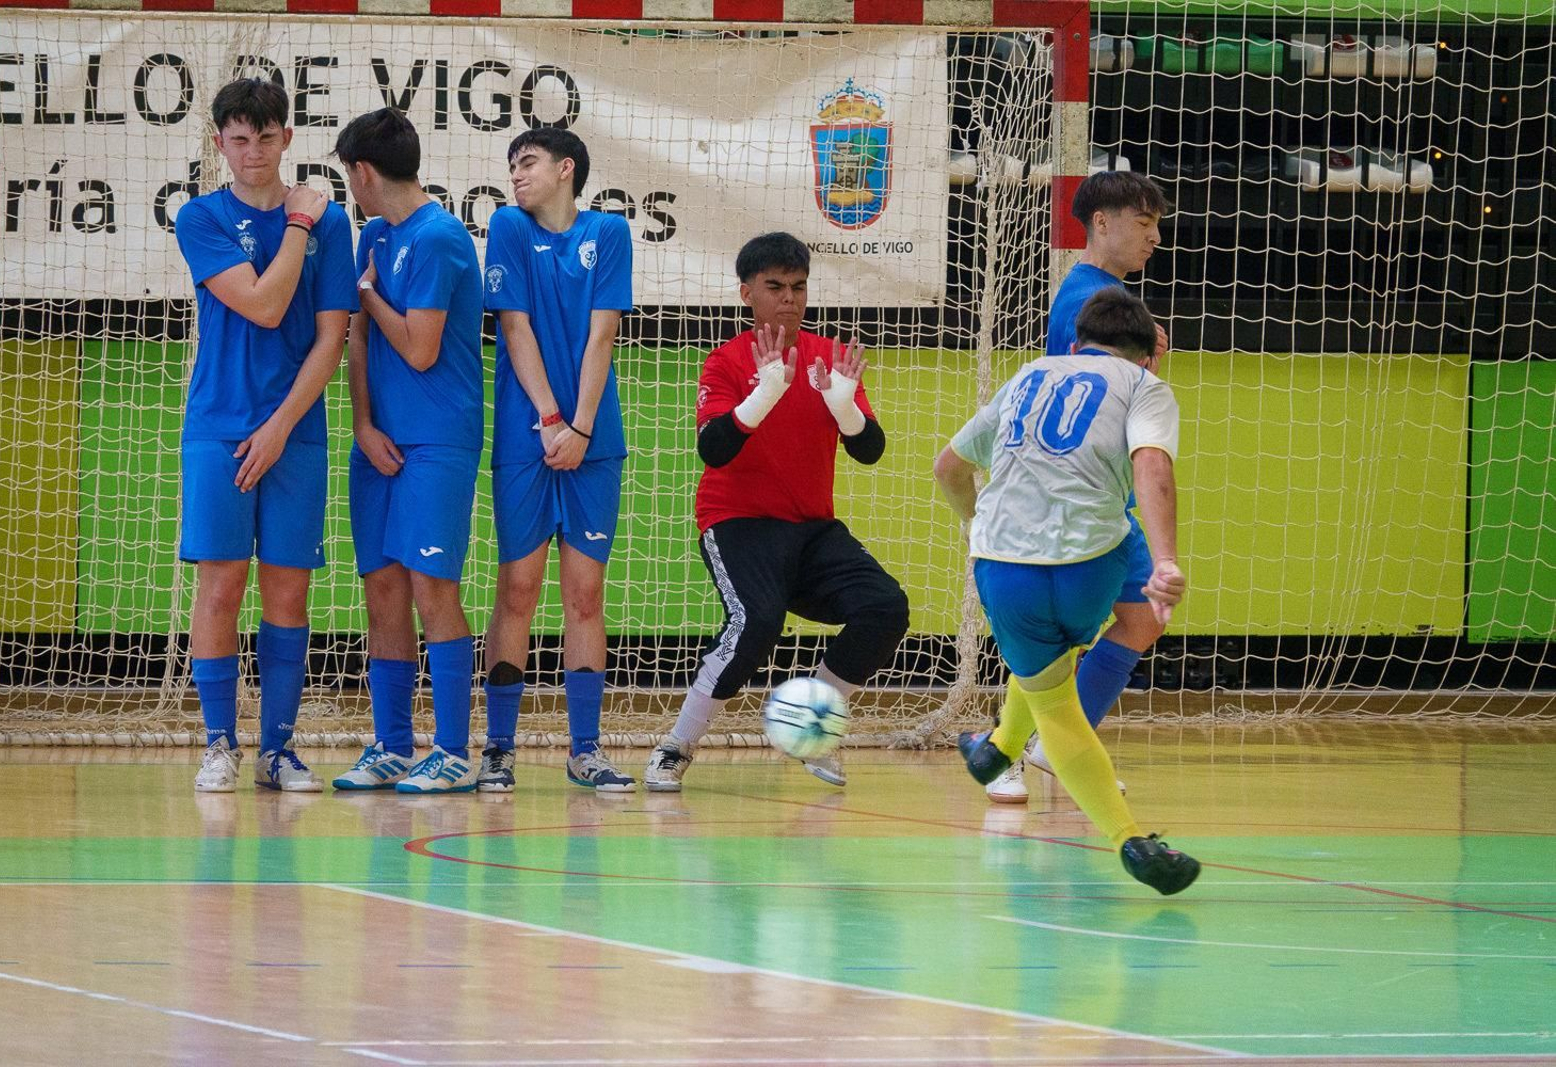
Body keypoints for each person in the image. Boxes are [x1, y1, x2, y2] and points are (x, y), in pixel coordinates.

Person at [933, 288, 1200, 894]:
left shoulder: (1031, 373)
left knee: (1053, 698)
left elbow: (948, 467)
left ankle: (1014, 756)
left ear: (1076, 345)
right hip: (1090, 562)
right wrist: (1164, 562)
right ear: (1146, 354)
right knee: (1064, 658)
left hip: (1003, 565)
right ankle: (1008, 757)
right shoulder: (1143, 386)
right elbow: (1152, 467)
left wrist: (975, 523)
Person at [643, 232, 910, 792]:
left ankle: (811, 727)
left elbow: (870, 451)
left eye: (798, 287)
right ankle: (676, 746)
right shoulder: (726, 362)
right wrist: (761, 395)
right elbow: (714, 449)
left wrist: (844, 406)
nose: (789, 298)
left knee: (885, 606)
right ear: (747, 293)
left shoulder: (829, 359)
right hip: (738, 522)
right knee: (756, 624)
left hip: (812, 529)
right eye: (775, 287)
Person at [176, 78, 356, 794]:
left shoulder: (333, 221)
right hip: (218, 427)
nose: (254, 152)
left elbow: (331, 336)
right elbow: (261, 301)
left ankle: (277, 749)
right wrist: (297, 225)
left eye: (266, 136)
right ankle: (218, 742)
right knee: (220, 587)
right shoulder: (201, 217)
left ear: (287, 137)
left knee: (288, 594)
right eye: (239, 139)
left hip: (297, 434)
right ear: (221, 143)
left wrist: (282, 426)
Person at [985, 170, 1172, 804]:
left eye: (1156, 224)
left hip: (1090, 498)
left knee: (1139, 619)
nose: (1154, 237)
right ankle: (1019, 750)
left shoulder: (1101, 294)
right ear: (1101, 223)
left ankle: (1038, 746)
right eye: (1142, 223)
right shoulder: (1086, 300)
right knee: (1070, 635)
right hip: (1081, 505)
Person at [327, 108, 485, 795]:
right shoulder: (374, 235)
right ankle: (392, 744)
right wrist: (362, 422)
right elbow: (358, 339)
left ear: (363, 172)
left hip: (437, 438)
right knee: (382, 589)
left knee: (431, 588)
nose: (350, 190)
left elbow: (419, 348)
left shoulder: (442, 237)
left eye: (347, 176)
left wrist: (366, 293)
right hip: (381, 439)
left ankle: (452, 750)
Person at [478, 128, 636, 792]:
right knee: (517, 589)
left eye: (528, 162)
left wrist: (581, 427)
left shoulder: (611, 231)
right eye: (511, 164)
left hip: (593, 439)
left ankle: (585, 749)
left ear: (567, 168)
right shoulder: (509, 227)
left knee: (586, 594)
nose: (516, 174)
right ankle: (499, 748)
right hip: (527, 437)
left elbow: (603, 334)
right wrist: (550, 420)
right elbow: (515, 327)